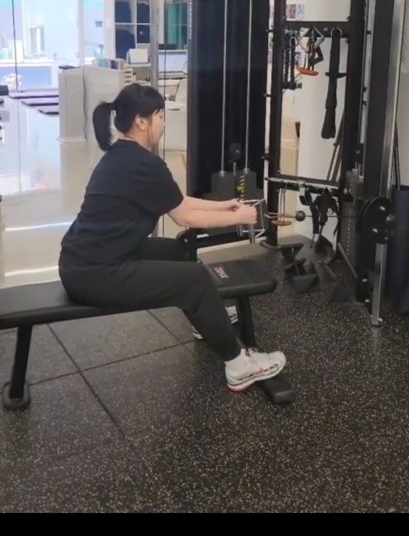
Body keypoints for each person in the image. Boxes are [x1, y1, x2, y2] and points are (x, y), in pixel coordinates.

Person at [59, 83, 286, 393]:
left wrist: (224, 206)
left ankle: (205, 319)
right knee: (195, 279)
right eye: (160, 116)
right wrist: (240, 218)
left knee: (179, 251)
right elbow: (186, 217)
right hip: (94, 273)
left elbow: (177, 201)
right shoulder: (143, 163)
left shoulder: (122, 155)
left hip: (87, 259)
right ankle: (238, 365)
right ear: (141, 121)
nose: (163, 123)